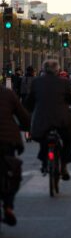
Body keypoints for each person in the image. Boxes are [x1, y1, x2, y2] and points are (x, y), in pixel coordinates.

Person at [25, 60, 71, 180]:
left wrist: (28, 111)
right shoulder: (64, 82)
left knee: (42, 138)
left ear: (43, 69)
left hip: (42, 119)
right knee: (68, 139)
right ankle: (64, 166)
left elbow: (29, 101)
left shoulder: (36, 82)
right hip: (62, 119)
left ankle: (44, 161)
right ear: (57, 70)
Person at [0, 86, 31, 226]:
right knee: (12, 172)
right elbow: (22, 114)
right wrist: (28, 127)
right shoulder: (8, 93)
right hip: (6, 140)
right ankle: (8, 206)